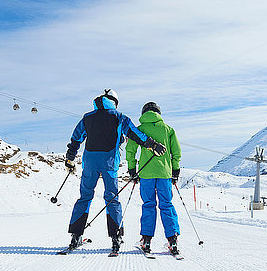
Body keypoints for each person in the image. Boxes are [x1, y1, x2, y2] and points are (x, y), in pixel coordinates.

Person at [64, 90, 166, 253]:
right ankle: (116, 238)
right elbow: (135, 133)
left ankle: (75, 236)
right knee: (112, 198)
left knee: (85, 197)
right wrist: (152, 145)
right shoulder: (119, 117)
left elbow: (76, 138)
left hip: (89, 163)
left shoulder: (87, 117)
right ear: (115, 102)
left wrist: (70, 157)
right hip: (109, 164)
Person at [126, 101, 182, 255]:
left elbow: (130, 150)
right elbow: (176, 153)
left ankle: (146, 241)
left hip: (146, 174)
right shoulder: (168, 129)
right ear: (159, 113)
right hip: (164, 174)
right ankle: (173, 241)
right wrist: (175, 171)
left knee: (149, 204)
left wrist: (132, 169)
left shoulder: (139, 129)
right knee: (166, 204)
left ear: (143, 113)